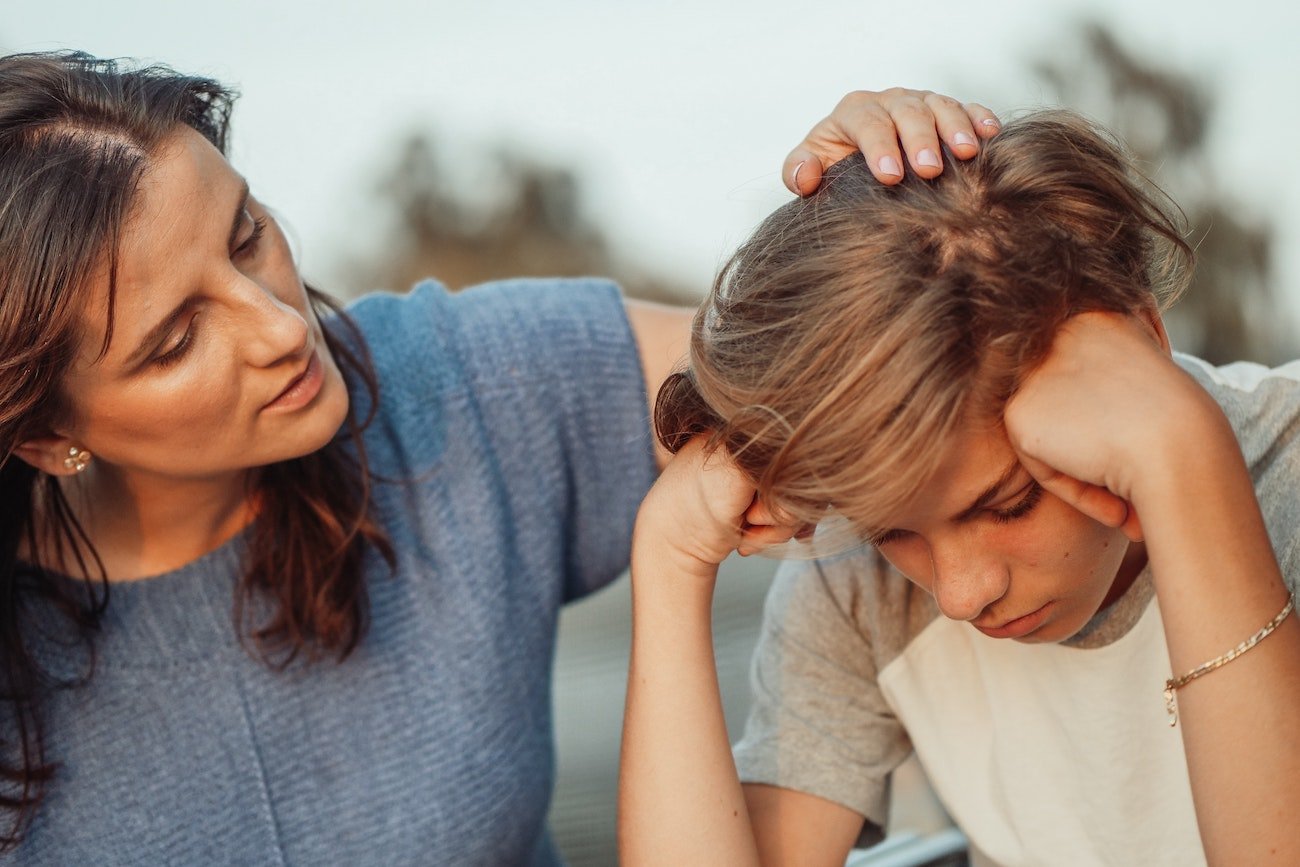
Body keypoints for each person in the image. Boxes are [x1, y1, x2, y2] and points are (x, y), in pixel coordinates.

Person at [0, 50, 1000, 864]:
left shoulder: (461, 384)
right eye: (176, 340)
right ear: (47, 434)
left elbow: (856, 368)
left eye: (247, 235)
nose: (277, 329)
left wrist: (891, 218)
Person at [619, 110, 1300, 866]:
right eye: (892, 531)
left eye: (1008, 502)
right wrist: (669, 559)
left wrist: (1184, 459)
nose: (959, 593)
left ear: (1142, 341)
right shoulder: (860, 588)